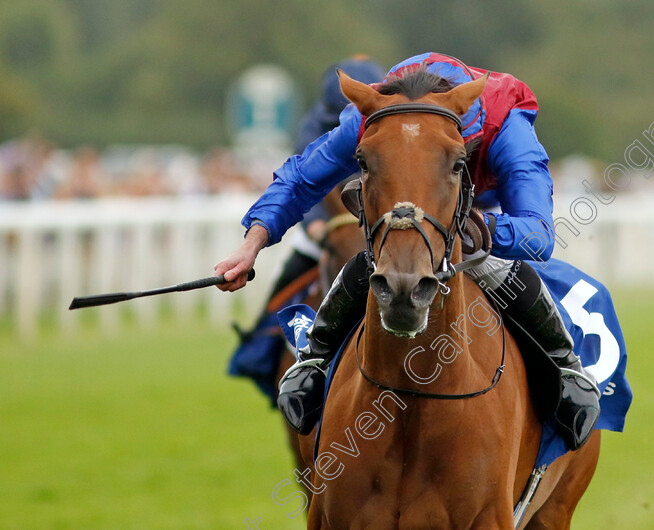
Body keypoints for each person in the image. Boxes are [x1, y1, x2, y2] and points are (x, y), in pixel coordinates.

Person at [215, 53, 601, 450]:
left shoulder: (507, 127)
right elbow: (300, 180)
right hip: (409, 215)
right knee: (369, 258)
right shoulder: (377, 112)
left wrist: (475, 228)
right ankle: (312, 363)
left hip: (475, 212)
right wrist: (252, 244)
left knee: (501, 269)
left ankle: (567, 371)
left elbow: (538, 236)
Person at [227, 56, 385, 404]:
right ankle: (261, 349)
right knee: (289, 278)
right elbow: (304, 179)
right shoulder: (312, 125)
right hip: (327, 222)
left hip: (377, 222)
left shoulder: (389, 120)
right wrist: (315, 224)